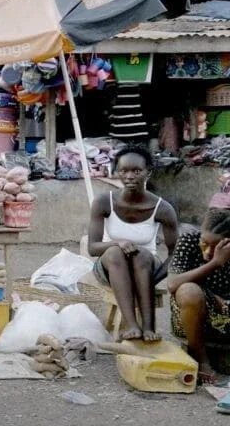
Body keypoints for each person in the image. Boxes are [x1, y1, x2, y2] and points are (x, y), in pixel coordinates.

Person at [87, 146, 178, 341]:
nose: (129, 176)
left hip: (145, 268)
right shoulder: (104, 202)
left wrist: (153, 278)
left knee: (142, 254)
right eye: (123, 171)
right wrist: (117, 242)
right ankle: (132, 325)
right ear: (117, 172)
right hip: (111, 268)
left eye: (136, 171)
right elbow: (92, 248)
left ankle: (149, 327)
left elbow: (175, 254)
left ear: (149, 172)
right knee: (115, 253)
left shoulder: (163, 208)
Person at [166, 209, 230, 385]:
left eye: (216, 247)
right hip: (192, 317)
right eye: (204, 243)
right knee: (188, 291)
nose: (208, 252)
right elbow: (172, 284)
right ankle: (200, 359)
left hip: (225, 318)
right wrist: (216, 262)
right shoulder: (188, 241)